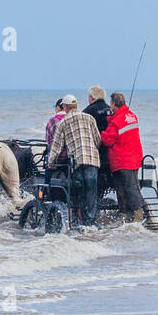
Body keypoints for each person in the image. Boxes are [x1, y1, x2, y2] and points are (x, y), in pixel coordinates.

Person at [48, 97, 102, 226]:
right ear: (76, 105)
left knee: (80, 191)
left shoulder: (63, 122)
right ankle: (91, 222)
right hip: (92, 160)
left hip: (77, 161)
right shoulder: (89, 118)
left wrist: (51, 163)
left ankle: (82, 223)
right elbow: (98, 139)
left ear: (65, 107)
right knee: (91, 192)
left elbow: (56, 147)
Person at [100, 92, 145, 222]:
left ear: (114, 104)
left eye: (111, 104)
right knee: (130, 187)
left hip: (122, 160)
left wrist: (101, 133)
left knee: (127, 189)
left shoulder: (117, 121)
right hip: (134, 158)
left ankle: (136, 217)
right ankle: (128, 216)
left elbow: (108, 140)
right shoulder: (132, 116)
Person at [83, 86, 113, 198]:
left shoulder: (87, 112)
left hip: (94, 155)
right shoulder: (110, 110)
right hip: (110, 155)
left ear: (91, 97)